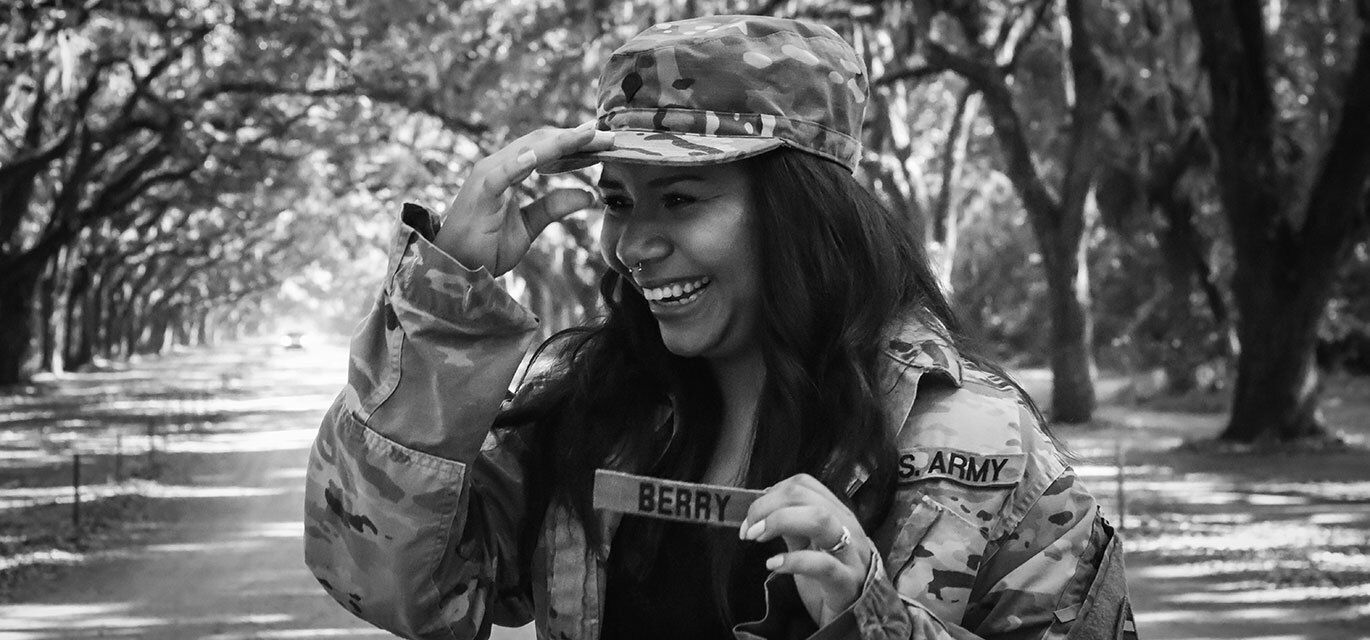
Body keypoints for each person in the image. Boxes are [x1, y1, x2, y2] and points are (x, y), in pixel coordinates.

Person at [304, 14, 1137, 640]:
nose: (632, 245)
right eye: (619, 203)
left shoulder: (981, 446)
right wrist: (446, 303)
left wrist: (870, 617)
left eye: (680, 198)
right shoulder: (595, 409)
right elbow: (391, 583)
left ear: (799, 215)